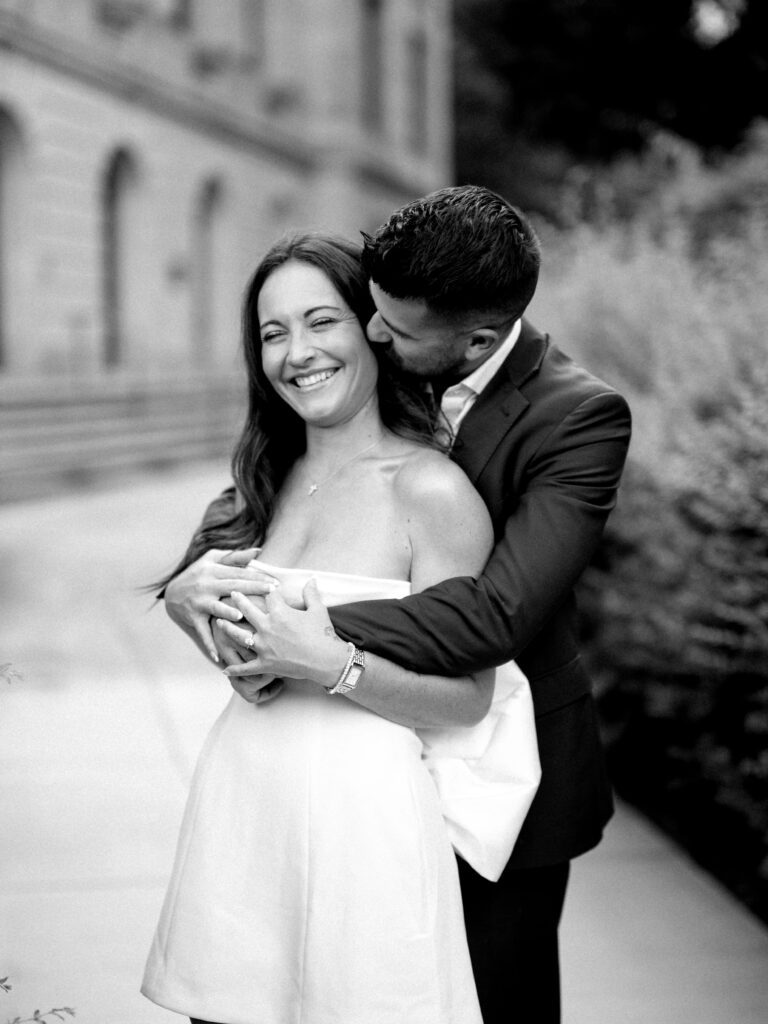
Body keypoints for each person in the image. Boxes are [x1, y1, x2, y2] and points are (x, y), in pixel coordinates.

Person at [170, 185, 633, 1024]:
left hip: (494, 785)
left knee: (484, 1000)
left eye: (350, 322)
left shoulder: (571, 420)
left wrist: (301, 634)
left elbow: (492, 622)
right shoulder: (284, 465)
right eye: (273, 331)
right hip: (274, 798)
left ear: (476, 338)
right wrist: (191, 598)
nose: (376, 332)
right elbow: (214, 564)